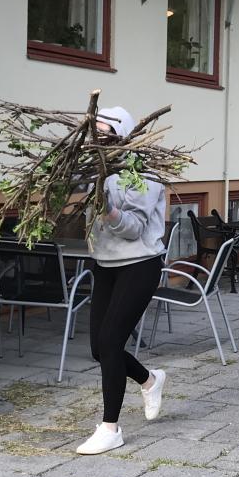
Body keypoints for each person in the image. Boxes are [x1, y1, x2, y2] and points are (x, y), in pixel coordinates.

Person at [75, 106, 169, 455]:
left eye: (103, 132)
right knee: (99, 349)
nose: (96, 139)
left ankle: (110, 428)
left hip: (139, 264)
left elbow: (134, 229)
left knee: (111, 342)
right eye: (93, 132)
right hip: (105, 263)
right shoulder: (95, 168)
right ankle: (150, 379)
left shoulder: (142, 174)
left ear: (122, 134)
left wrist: (107, 209)